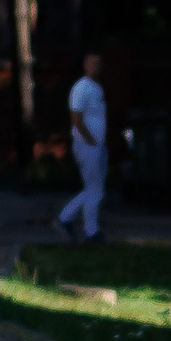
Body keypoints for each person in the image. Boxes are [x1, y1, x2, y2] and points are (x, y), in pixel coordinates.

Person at [56, 51, 106, 243]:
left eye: (100, 63)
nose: (98, 67)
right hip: (87, 145)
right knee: (94, 189)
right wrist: (90, 140)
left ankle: (67, 219)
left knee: (95, 189)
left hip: (97, 145)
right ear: (85, 65)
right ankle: (90, 231)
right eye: (93, 63)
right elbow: (76, 118)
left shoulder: (96, 87)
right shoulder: (81, 88)